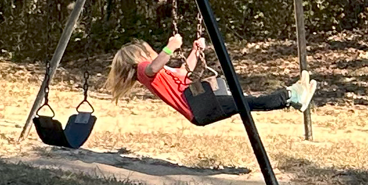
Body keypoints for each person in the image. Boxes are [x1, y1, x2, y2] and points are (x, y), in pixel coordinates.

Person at [104, 34, 316, 126]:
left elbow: (184, 73)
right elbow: (152, 66)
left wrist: (195, 51)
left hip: (199, 108)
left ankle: (294, 97)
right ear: (139, 54)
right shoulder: (143, 70)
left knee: (243, 100)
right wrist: (170, 46)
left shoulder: (161, 75)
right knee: (247, 102)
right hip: (198, 107)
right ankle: (291, 95)